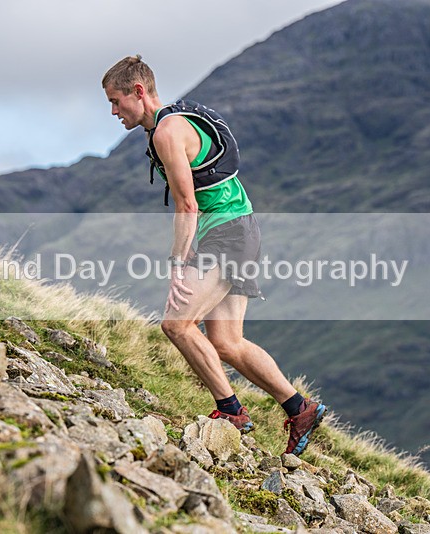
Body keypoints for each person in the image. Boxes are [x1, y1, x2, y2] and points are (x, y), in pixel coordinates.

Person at [102, 55, 326, 455]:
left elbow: (187, 205)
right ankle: (299, 408)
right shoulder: (172, 121)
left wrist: (177, 264)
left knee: (176, 324)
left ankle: (231, 412)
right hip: (238, 228)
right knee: (226, 340)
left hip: (226, 233)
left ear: (139, 92)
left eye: (117, 101)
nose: (114, 112)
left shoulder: (167, 132)